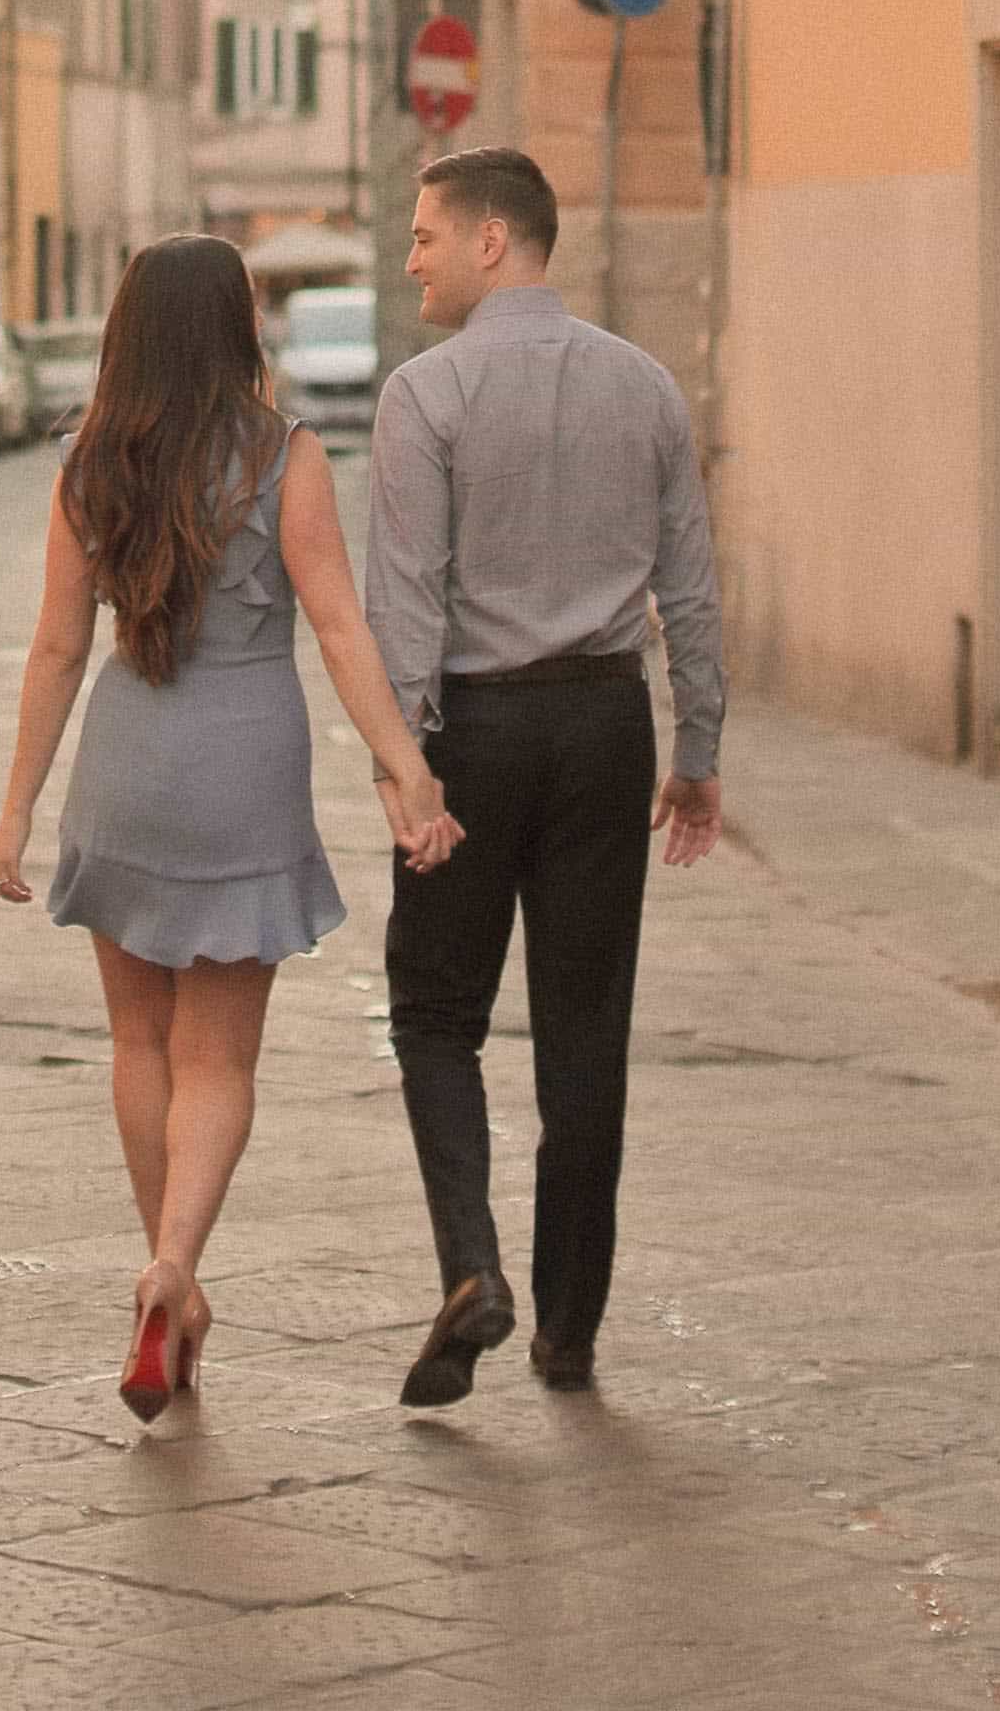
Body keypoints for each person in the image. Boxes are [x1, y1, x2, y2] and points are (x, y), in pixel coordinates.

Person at [0, 232, 461, 1423]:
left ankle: (167, 1278)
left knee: (140, 1047)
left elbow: (55, 645)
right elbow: (342, 628)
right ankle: (176, 1268)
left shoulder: (87, 461)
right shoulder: (283, 455)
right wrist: (406, 769)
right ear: (238, 327)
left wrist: (16, 812)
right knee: (218, 1060)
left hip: (125, 760)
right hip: (245, 759)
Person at [364, 144, 724, 1410]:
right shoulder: (645, 388)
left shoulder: (425, 395)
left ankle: (474, 1270)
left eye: (424, 235)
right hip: (603, 727)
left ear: (492, 243)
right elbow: (688, 587)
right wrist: (698, 755)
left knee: (432, 1016)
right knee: (587, 1035)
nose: (408, 256)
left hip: (476, 726)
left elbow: (402, 604)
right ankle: (569, 1330)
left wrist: (406, 769)